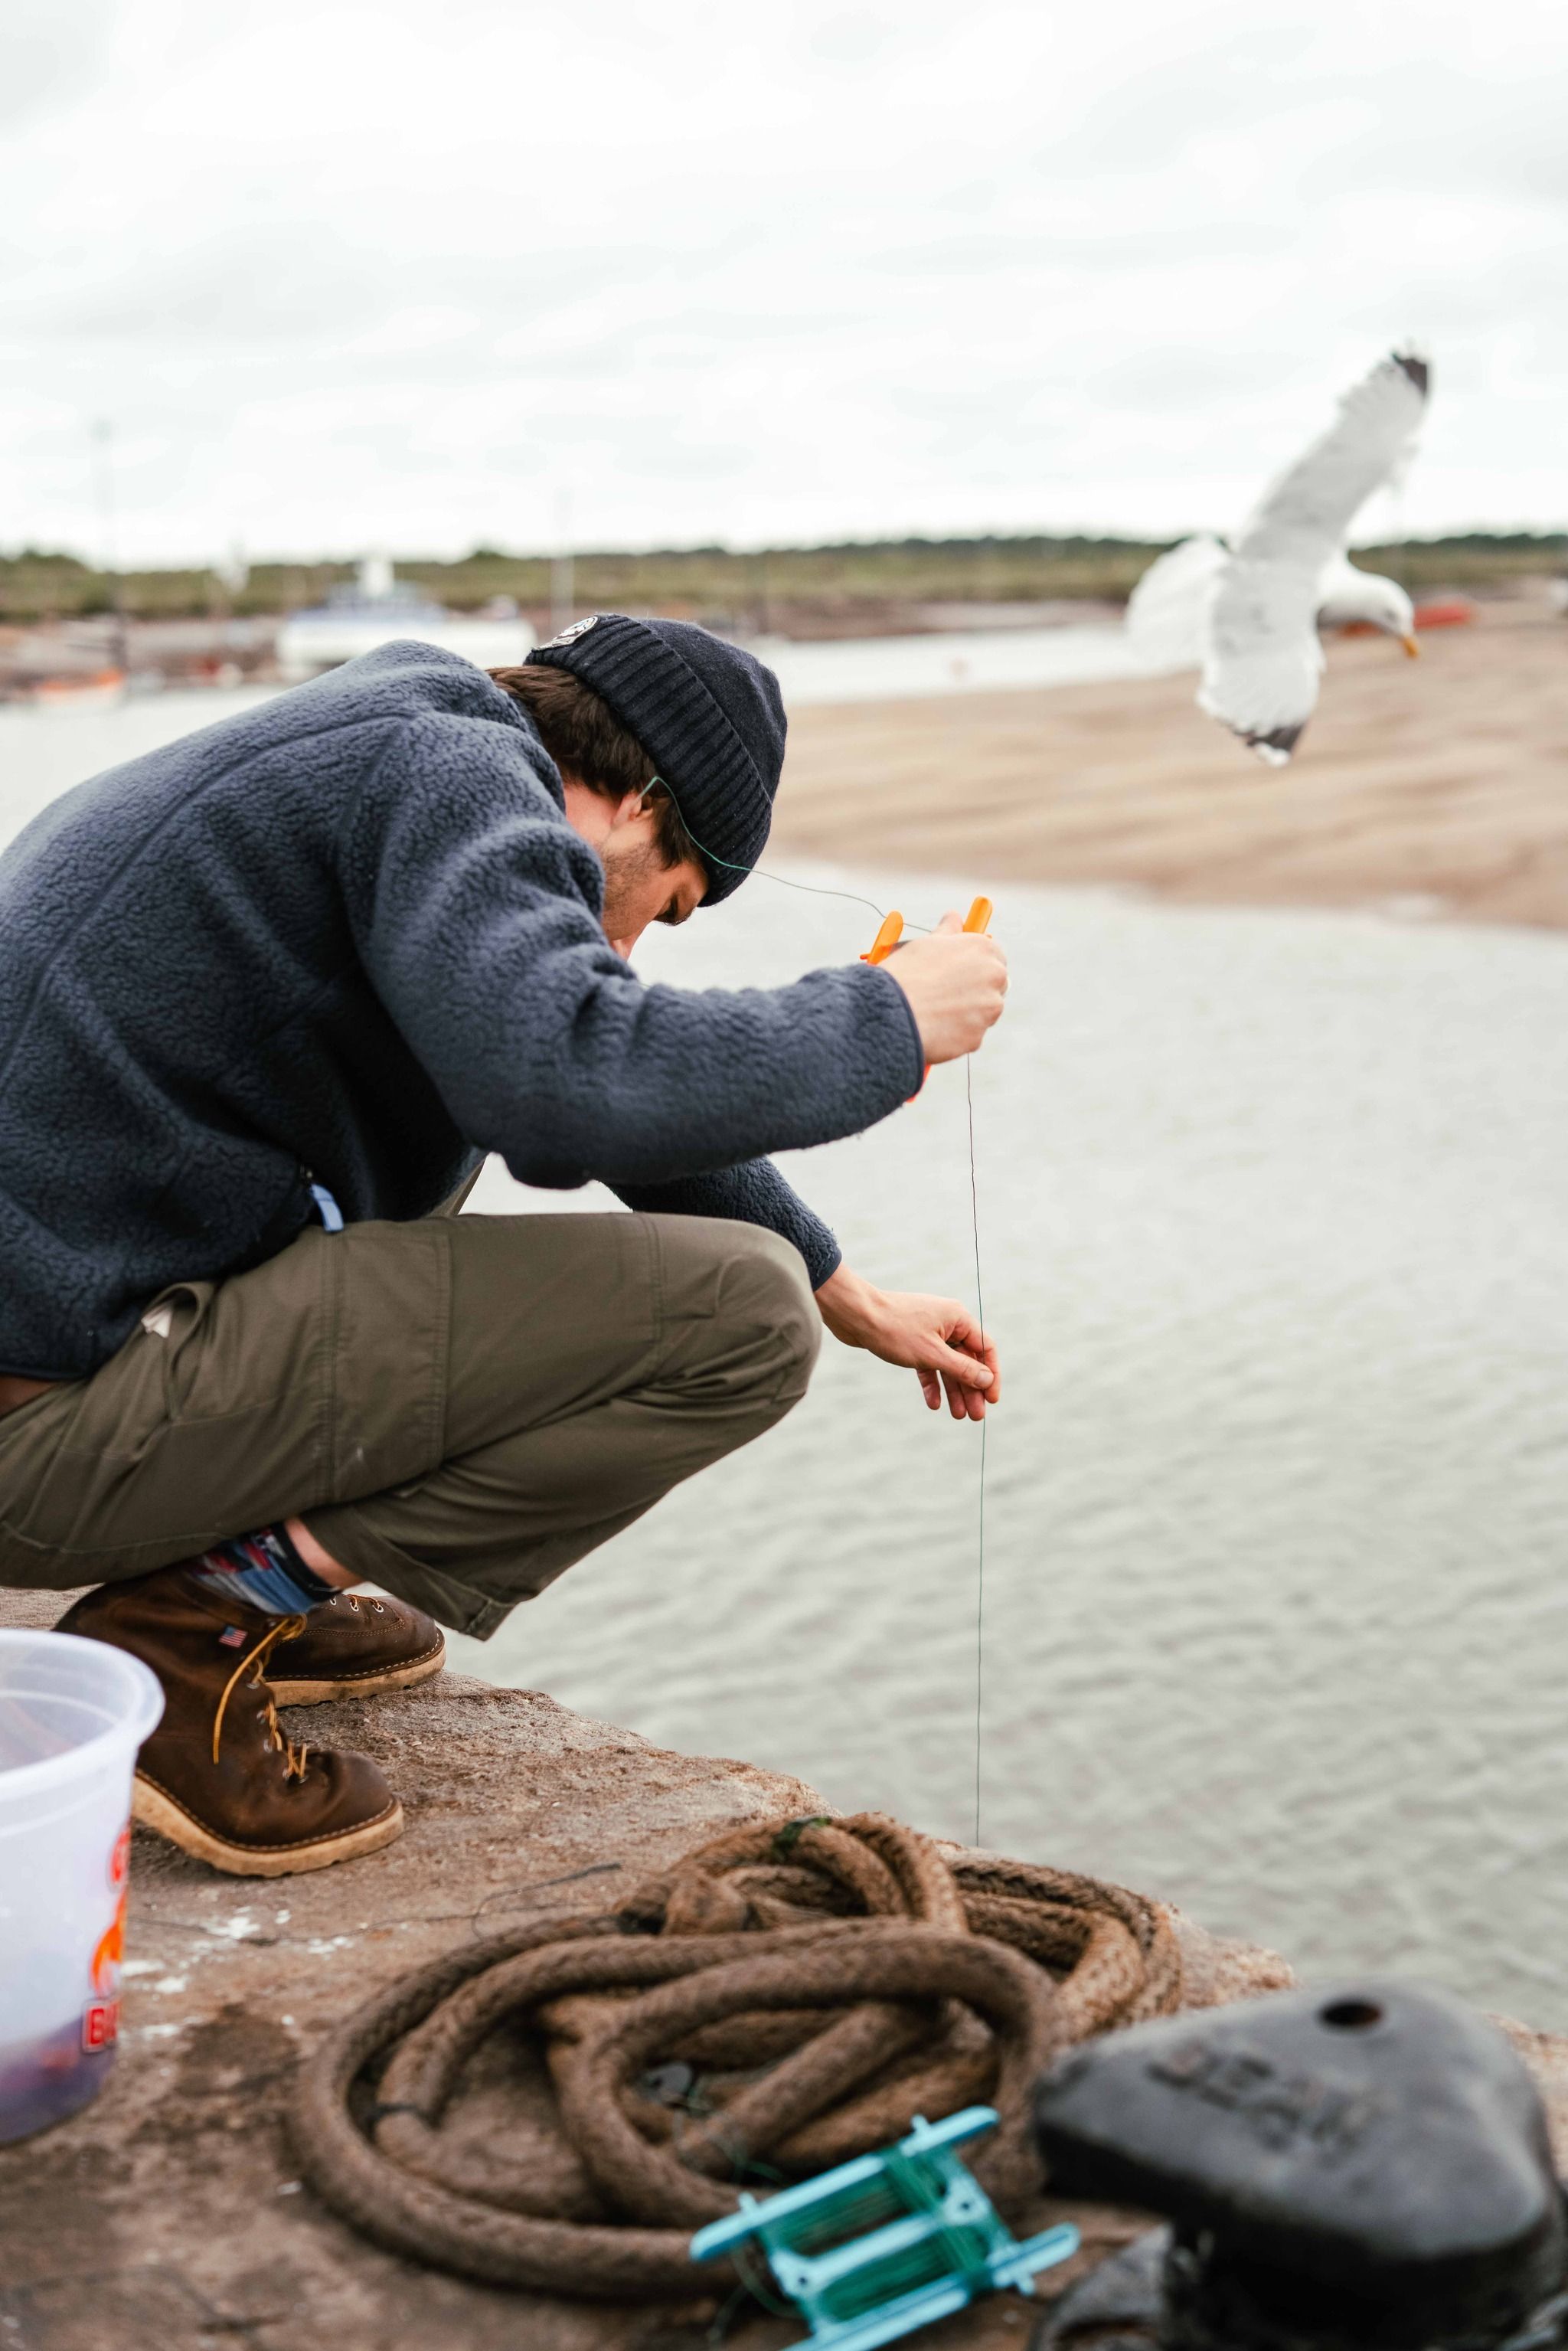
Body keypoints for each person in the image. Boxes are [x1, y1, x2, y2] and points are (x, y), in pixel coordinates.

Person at [0, 616, 1008, 1877]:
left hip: (66, 1353)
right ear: (638, 804)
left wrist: (846, 1287)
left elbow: (568, 1056)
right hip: (38, 1445)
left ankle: (225, 1564)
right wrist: (890, 1019)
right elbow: (561, 1082)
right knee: (741, 1323)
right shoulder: (452, 775)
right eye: (669, 907)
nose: (629, 947)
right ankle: (195, 1616)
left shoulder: (403, 734)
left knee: (700, 1254)